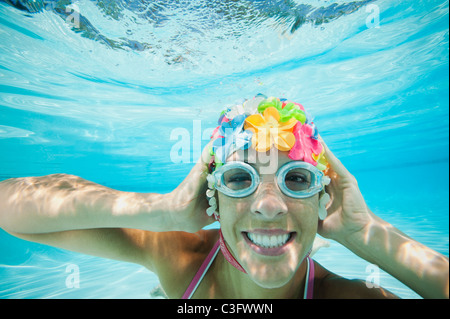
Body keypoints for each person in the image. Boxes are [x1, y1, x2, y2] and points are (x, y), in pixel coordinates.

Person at [0, 95, 448, 299]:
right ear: (211, 200)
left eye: (296, 180)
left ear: (322, 199)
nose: (269, 206)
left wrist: (366, 234)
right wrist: (164, 212)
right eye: (239, 179)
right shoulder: (183, 258)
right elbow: (11, 207)